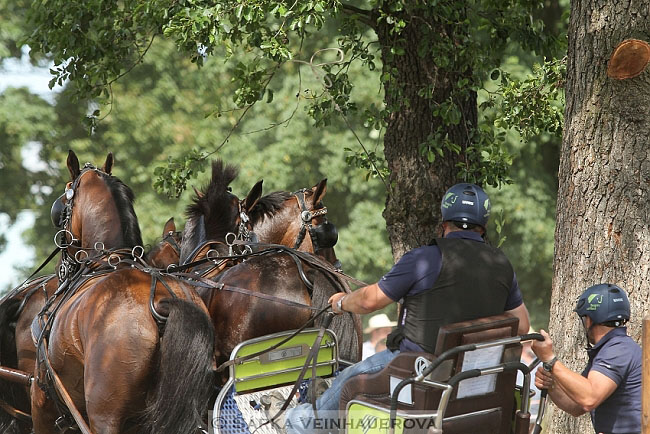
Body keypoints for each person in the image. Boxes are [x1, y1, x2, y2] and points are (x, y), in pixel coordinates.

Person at [284, 183, 530, 433]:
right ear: (483, 227)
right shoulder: (502, 264)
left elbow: (370, 300)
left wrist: (340, 302)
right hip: (476, 382)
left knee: (302, 421)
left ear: (444, 224)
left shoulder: (423, 259)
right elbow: (522, 324)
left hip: (413, 371)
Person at [531, 283, 641, 434]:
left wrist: (550, 359)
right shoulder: (612, 348)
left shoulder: (618, 350)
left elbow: (589, 398)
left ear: (588, 320)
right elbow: (576, 406)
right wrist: (551, 386)